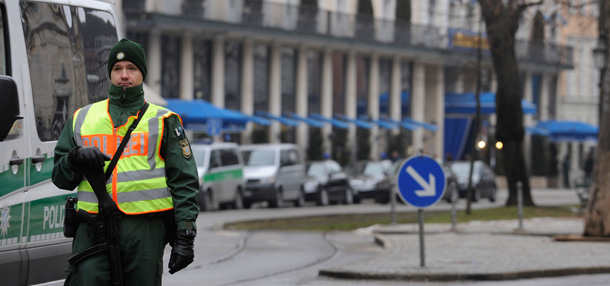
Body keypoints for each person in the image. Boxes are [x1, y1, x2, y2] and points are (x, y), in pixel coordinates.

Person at [52, 39, 199, 285]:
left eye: (131, 68)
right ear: (109, 73)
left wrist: (185, 235)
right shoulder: (81, 118)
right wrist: (74, 159)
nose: (124, 75)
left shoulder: (165, 120)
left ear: (142, 73)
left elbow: (184, 181)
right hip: (92, 228)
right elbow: (60, 178)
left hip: (144, 231)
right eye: (117, 68)